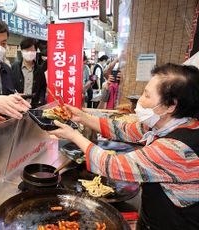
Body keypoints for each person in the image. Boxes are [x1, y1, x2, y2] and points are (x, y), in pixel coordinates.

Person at [49, 63, 199, 229]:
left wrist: (73, 135)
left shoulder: (175, 148)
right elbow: (122, 129)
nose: (140, 101)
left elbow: (114, 165)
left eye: (147, 96)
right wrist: (82, 117)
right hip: (155, 218)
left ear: (171, 105)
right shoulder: (170, 125)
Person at [11, 37, 47, 108]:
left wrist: (40, 101)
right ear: (21, 51)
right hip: (17, 106)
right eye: (27, 50)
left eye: (32, 50)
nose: (30, 53)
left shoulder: (39, 69)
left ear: (36, 52)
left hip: (34, 106)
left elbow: (43, 87)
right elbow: (9, 85)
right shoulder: (14, 67)